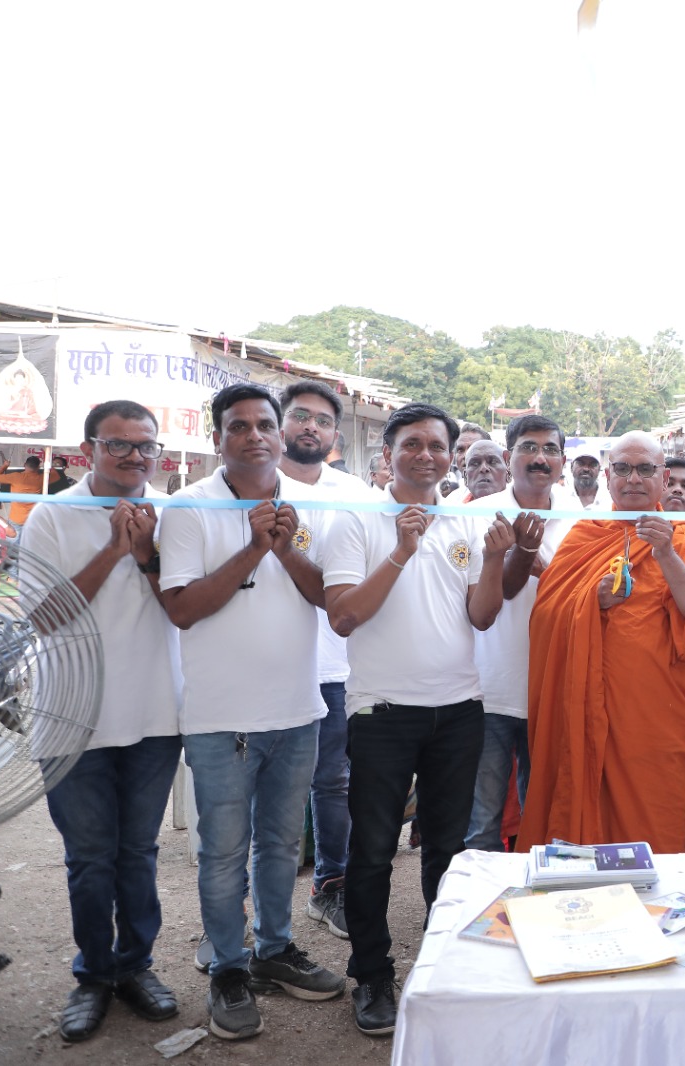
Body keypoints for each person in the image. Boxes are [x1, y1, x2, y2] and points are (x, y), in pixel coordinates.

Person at [158, 384, 344, 1042]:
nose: (256, 435)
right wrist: (254, 547)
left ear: (279, 433)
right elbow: (182, 608)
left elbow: (327, 599)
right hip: (222, 720)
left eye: (266, 424)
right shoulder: (190, 507)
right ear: (219, 439)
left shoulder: (306, 505)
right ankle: (228, 970)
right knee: (222, 854)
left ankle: (273, 949)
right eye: (239, 426)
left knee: (281, 846)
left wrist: (286, 547)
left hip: (296, 711)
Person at [322, 402, 513, 1037]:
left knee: (449, 849)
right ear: (388, 453)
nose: (425, 455)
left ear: (451, 456)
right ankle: (372, 974)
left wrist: (494, 561)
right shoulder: (356, 520)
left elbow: (481, 617)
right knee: (373, 850)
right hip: (381, 711)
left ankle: (442, 967)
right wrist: (402, 550)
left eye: (436, 445)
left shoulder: (465, 520)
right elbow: (344, 616)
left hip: (459, 710)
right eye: (412, 444)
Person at [22, 401, 181, 1043]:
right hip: (71, 719)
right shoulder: (51, 516)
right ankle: (93, 975)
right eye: (119, 445)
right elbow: (42, 616)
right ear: (88, 450)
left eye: (146, 446)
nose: (135, 457)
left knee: (137, 853)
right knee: (90, 859)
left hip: (155, 714)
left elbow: (185, 608)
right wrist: (115, 550)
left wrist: (146, 554)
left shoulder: (175, 513)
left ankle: (136, 966)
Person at [519, 432, 685, 853]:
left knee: (657, 826)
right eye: (623, 469)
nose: (633, 479)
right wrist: (592, 599)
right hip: (587, 709)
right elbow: (547, 614)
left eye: (644, 470)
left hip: (657, 717)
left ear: (663, 478)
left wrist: (666, 554)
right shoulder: (585, 535)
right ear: (608, 476)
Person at [277, 381, 379, 940]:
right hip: (268, 665)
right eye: (300, 416)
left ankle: (330, 886)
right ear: (280, 423)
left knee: (334, 782)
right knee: (264, 790)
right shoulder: (254, 485)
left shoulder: (355, 493)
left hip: (335, 664)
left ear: (335, 434)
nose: (310, 427)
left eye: (321, 420)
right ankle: (239, 910)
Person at [466, 415, 568, 852]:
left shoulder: (583, 521)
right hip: (487, 688)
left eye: (549, 449)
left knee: (544, 819)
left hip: (552, 689)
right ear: (509, 458)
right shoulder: (475, 515)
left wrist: (543, 566)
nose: (539, 458)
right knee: (481, 820)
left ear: (562, 462)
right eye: (529, 448)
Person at [0, 453, 45, 527]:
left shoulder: (16, 477)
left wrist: (4, 466)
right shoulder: (43, 478)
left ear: (24, 465)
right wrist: (51, 465)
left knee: (13, 534)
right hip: (33, 519)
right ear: (38, 467)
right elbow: (57, 475)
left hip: (16, 518)